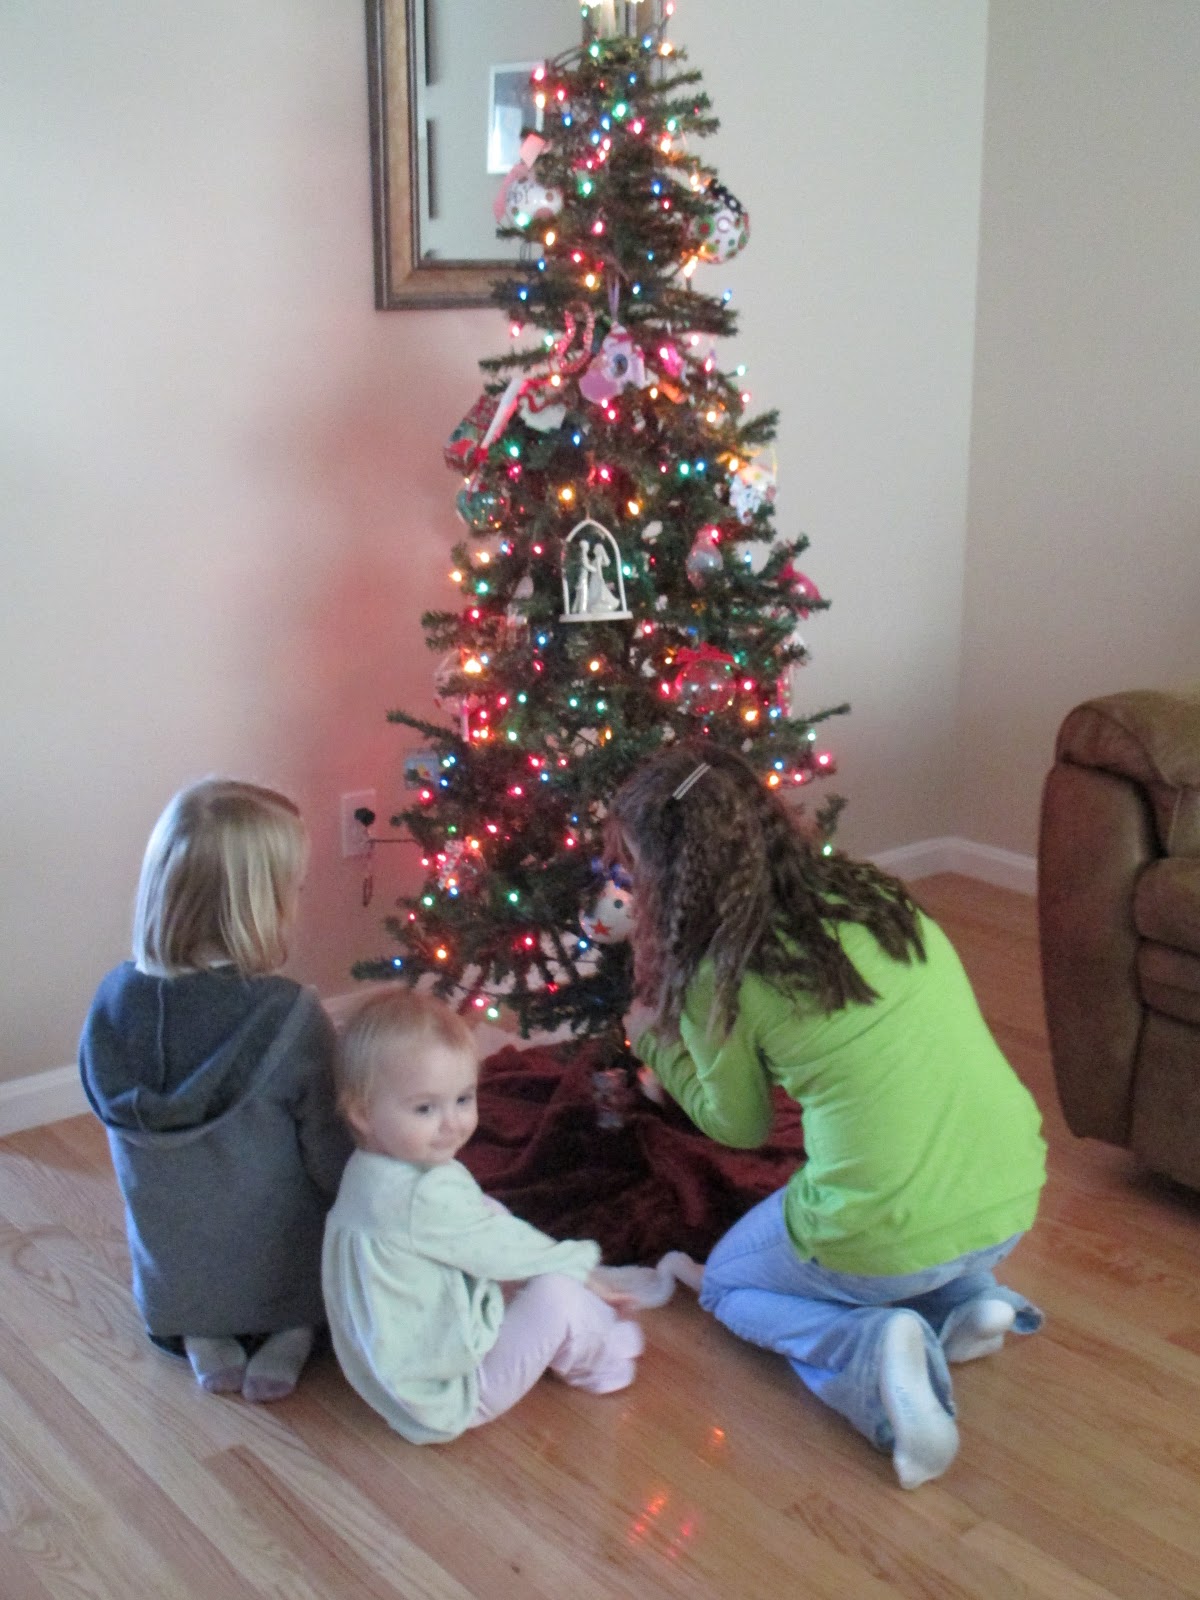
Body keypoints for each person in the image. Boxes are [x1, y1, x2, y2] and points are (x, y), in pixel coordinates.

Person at [608, 742, 1047, 1490]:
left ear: (669, 881)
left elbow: (738, 1126)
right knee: (903, 1212)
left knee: (729, 1288)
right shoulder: (872, 896)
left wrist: (650, 1035)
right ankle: (968, 1302)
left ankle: (870, 1351)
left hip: (885, 1230)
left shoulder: (722, 971)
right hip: (1011, 1192)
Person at [79, 778, 351, 1400]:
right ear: (259, 905)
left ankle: (202, 1330)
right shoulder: (289, 1016)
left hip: (172, 1284)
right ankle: (293, 1325)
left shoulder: (112, 1002)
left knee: (188, 1207)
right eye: (294, 889)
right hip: (281, 1267)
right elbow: (331, 1156)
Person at [322, 988, 644, 1445]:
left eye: (463, 1098)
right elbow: (503, 1247)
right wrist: (579, 1267)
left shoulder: (369, 1170)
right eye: (425, 1108)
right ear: (363, 1113)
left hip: (392, 1379)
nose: (452, 1124)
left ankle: (566, 1329)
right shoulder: (421, 1196)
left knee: (497, 1227)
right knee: (557, 1292)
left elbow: (483, 1227)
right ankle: (599, 1362)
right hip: (450, 1396)